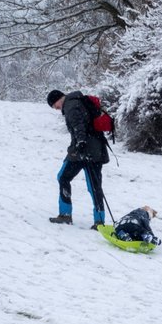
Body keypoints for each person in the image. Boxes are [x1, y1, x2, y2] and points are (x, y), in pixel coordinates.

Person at [46, 89, 110, 229]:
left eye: (54, 105)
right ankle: (99, 221)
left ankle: (65, 215)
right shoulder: (78, 101)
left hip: (84, 150)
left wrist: (81, 142)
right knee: (94, 186)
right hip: (95, 149)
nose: (56, 108)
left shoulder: (71, 105)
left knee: (64, 177)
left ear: (59, 99)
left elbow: (78, 125)